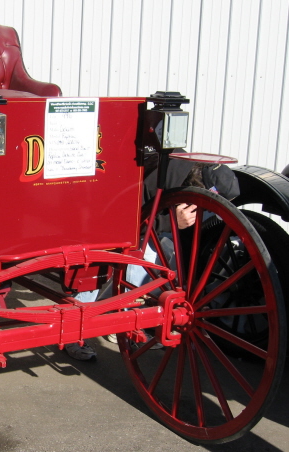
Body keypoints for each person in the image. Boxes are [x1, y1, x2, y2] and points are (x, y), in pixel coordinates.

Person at [65, 154, 240, 360]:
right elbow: (122, 221)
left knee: (166, 253)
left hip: (138, 222)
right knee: (129, 259)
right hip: (101, 218)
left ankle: (121, 310)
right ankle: (75, 329)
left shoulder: (187, 175)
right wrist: (168, 222)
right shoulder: (156, 180)